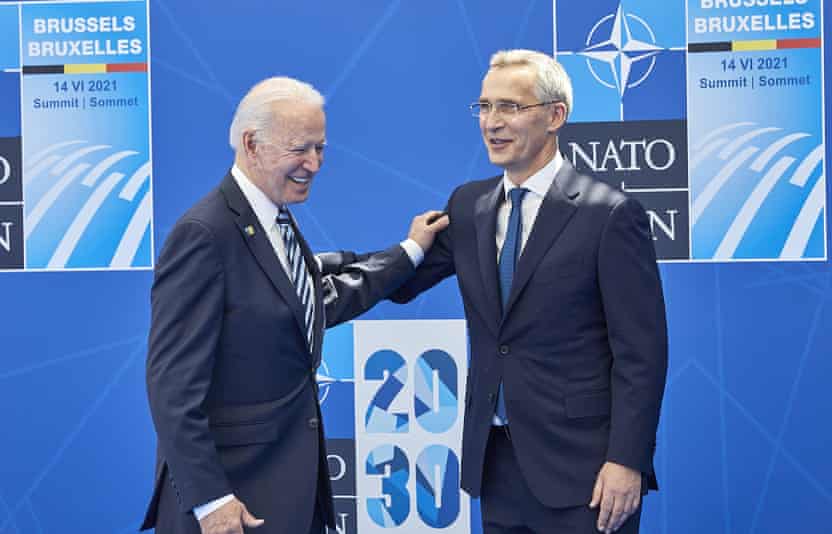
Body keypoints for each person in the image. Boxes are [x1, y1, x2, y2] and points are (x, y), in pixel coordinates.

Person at [140, 76, 448, 534]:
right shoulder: (204, 235)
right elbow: (171, 389)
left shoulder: (274, 220)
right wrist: (211, 501)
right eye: (300, 149)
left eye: (320, 148)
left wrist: (412, 252)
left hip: (286, 494)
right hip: (234, 504)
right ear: (252, 144)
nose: (314, 163)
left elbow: (314, 301)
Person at [390, 50, 668, 534]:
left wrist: (628, 461)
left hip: (586, 473)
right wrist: (317, 267)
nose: (492, 123)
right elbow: (404, 282)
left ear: (555, 115)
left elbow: (642, 354)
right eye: (484, 107)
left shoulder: (609, 214)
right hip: (495, 464)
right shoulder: (468, 203)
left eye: (510, 108)